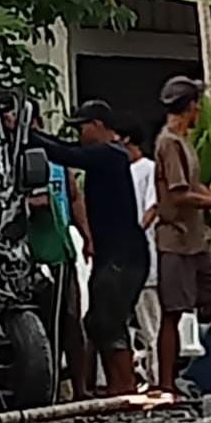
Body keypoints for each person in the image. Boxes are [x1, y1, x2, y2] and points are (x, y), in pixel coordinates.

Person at [29, 100, 149, 396]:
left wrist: (24, 134)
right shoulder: (104, 155)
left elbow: (62, 152)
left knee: (109, 320)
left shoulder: (110, 155)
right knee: (97, 321)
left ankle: (125, 386)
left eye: (81, 127)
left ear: (97, 125)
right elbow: (63, 146)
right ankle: (116, 385)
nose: (79, 133)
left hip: (123, 256)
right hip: (114, 253)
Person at [152, 77, 211, 399]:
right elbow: (180, 194)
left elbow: (195, 185)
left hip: (196, 240)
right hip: (176, 240)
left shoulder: (184, 141)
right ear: (191, 107)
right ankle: (166, 384)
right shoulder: (169, 143)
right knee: (173, 312)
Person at [19, 99, 94, 400]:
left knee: (70, 320)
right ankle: (46, 390)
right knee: (42, 323)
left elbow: (73, 196)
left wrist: (87, 236)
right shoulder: (12, 157)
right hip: (30, 249)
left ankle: (80, 388)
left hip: (58, 247)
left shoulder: (56, 158)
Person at [118, 119, 160, 390]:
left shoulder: (148, 169)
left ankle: (158, 377)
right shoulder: (121, 171)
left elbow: (152, 207)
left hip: (142, 252)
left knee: (150, 322)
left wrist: (134, 234)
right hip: (123, 256)